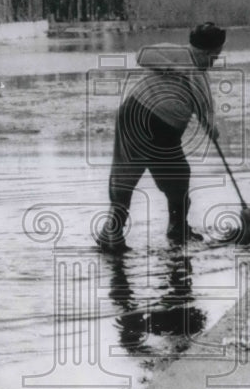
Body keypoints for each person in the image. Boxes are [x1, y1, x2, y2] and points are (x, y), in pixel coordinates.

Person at [97, 22, 227, 253]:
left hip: (167, 132)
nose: (214, 61)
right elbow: (142, 55)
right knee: (126, 176)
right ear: (203, 51)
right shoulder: (178, 53)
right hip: (137, 115)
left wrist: (211, 128)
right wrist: (175, 68)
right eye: (214, 56)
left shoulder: (202, 80)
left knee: (179, 177)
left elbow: (206, 111)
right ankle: (111, 232)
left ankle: (178, 229)